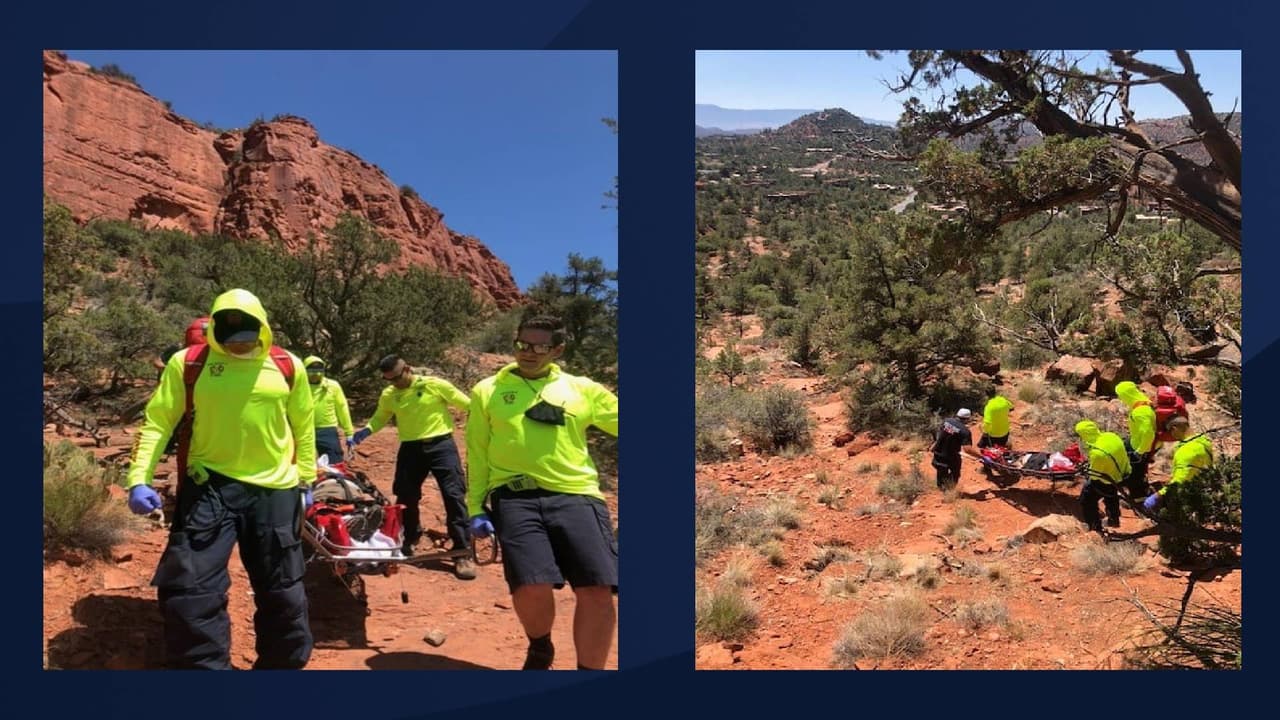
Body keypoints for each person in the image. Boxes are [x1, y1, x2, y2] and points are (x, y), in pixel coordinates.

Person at [124, 289, 315, 669]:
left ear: (262, 329)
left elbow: (304, 425)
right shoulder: (189, 363)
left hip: (275, 490)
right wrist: (138, 477)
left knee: (283, 593)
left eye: (247, 339)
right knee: (190, 592)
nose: (239, 347)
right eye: (231, 340)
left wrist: (306, 480)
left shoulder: (287, 365)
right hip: (209, 485)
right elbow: (159, 420)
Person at [465, 315, 619, 671]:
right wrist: (475, 506)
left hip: (577, 495)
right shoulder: (487, 390)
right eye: (522, 344)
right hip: (515, 498)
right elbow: (477, 450)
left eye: (539, 347)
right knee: (530, 585)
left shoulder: (583, 389)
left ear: (557, 350)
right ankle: (540, 647)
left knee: (596, 589)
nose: (528, 353)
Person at [348, 354, 475, 579]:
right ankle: (409, 537)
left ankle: (462, 552)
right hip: (411, 449)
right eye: (389, 380)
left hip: (441, 446)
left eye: (397, 377)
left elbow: (468, 405)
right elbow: (380, 418)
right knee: (406, 496)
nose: (395, 383)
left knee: (453, 495)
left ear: (407, 369)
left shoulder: (434, 385)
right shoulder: (390, 395)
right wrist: (364, 432)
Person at [1141, 416, 1214, 514]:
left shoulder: (1187, 451)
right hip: (1205, 489)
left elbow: (1180, 482)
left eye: (1170, 431)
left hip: (1190, 497)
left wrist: (1158, 495)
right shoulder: (1203, 442)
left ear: (1174, 429)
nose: (1171, 435)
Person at [1074, 420, 1132, 532]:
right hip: (1124, 474)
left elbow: (1095, 476)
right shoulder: (1111, 436)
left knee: (1087, 499)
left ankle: (1094, 527)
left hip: (1109, 481)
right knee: (1111, 495)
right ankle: (1113, 519)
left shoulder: (1097, 453)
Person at [303, 355, 354, 464]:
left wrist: (349, 432)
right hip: (304, 429)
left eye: (319, 370)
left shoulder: (332, 386)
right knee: (304, 464)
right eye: (311, 370)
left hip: (327, 429)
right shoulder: (299, 386)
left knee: (335, 463)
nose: (316, 374)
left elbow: (342, 408)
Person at [1116, 381, 1158, 498]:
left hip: (1142, 446)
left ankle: (1139, 498)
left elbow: (1148, 434)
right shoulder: (1143, 401)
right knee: (1122, 446)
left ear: (1127, 395)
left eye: (1121, 396)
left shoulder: (1140, 412)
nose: (1121, 399)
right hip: (1138, 441)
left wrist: (1139, 452)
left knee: (1135, 473)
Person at [930, 408, 980, 491]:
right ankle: (950, 492)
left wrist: (934, 445)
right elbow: (967, 449)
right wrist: (980, 456)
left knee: (941, 472)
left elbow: (940, 435)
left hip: (939, 452)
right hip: (951, 456)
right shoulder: (965, 431)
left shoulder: (946, 421)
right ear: (968, 418)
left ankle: (941, 489)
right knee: (955, 474)